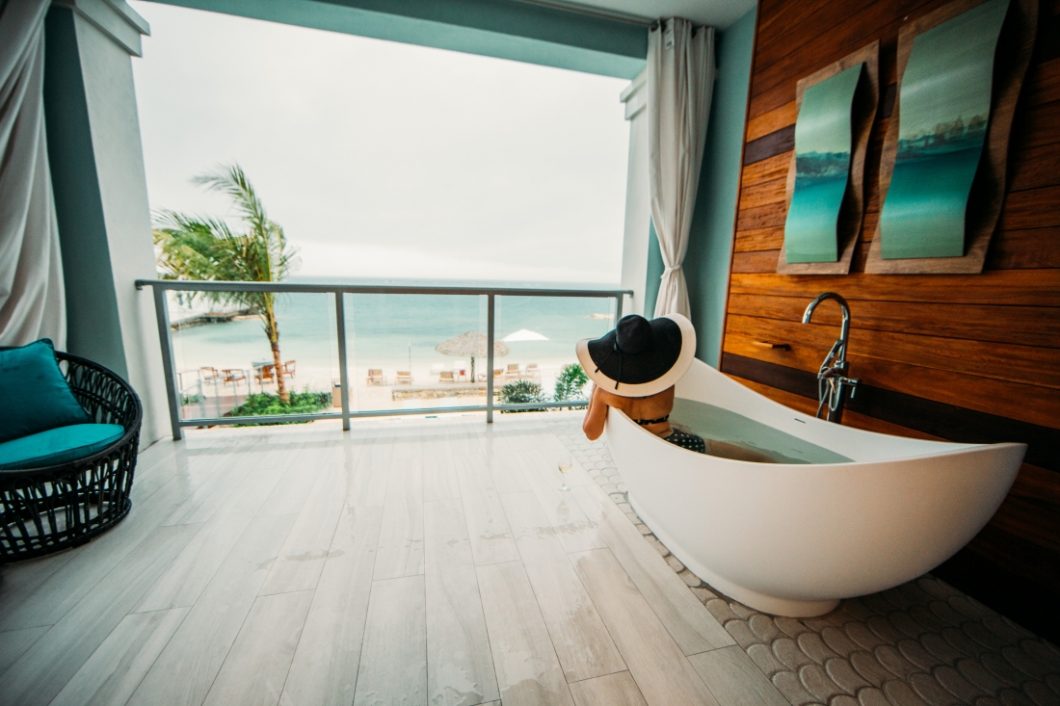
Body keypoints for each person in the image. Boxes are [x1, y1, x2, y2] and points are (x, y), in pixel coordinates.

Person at [576, 312, 706, 452]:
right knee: (709, 445)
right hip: (668, 444)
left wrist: (597, 385)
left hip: (632, 449)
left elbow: (591, 433)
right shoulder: (666, 379)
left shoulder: (606, 393)